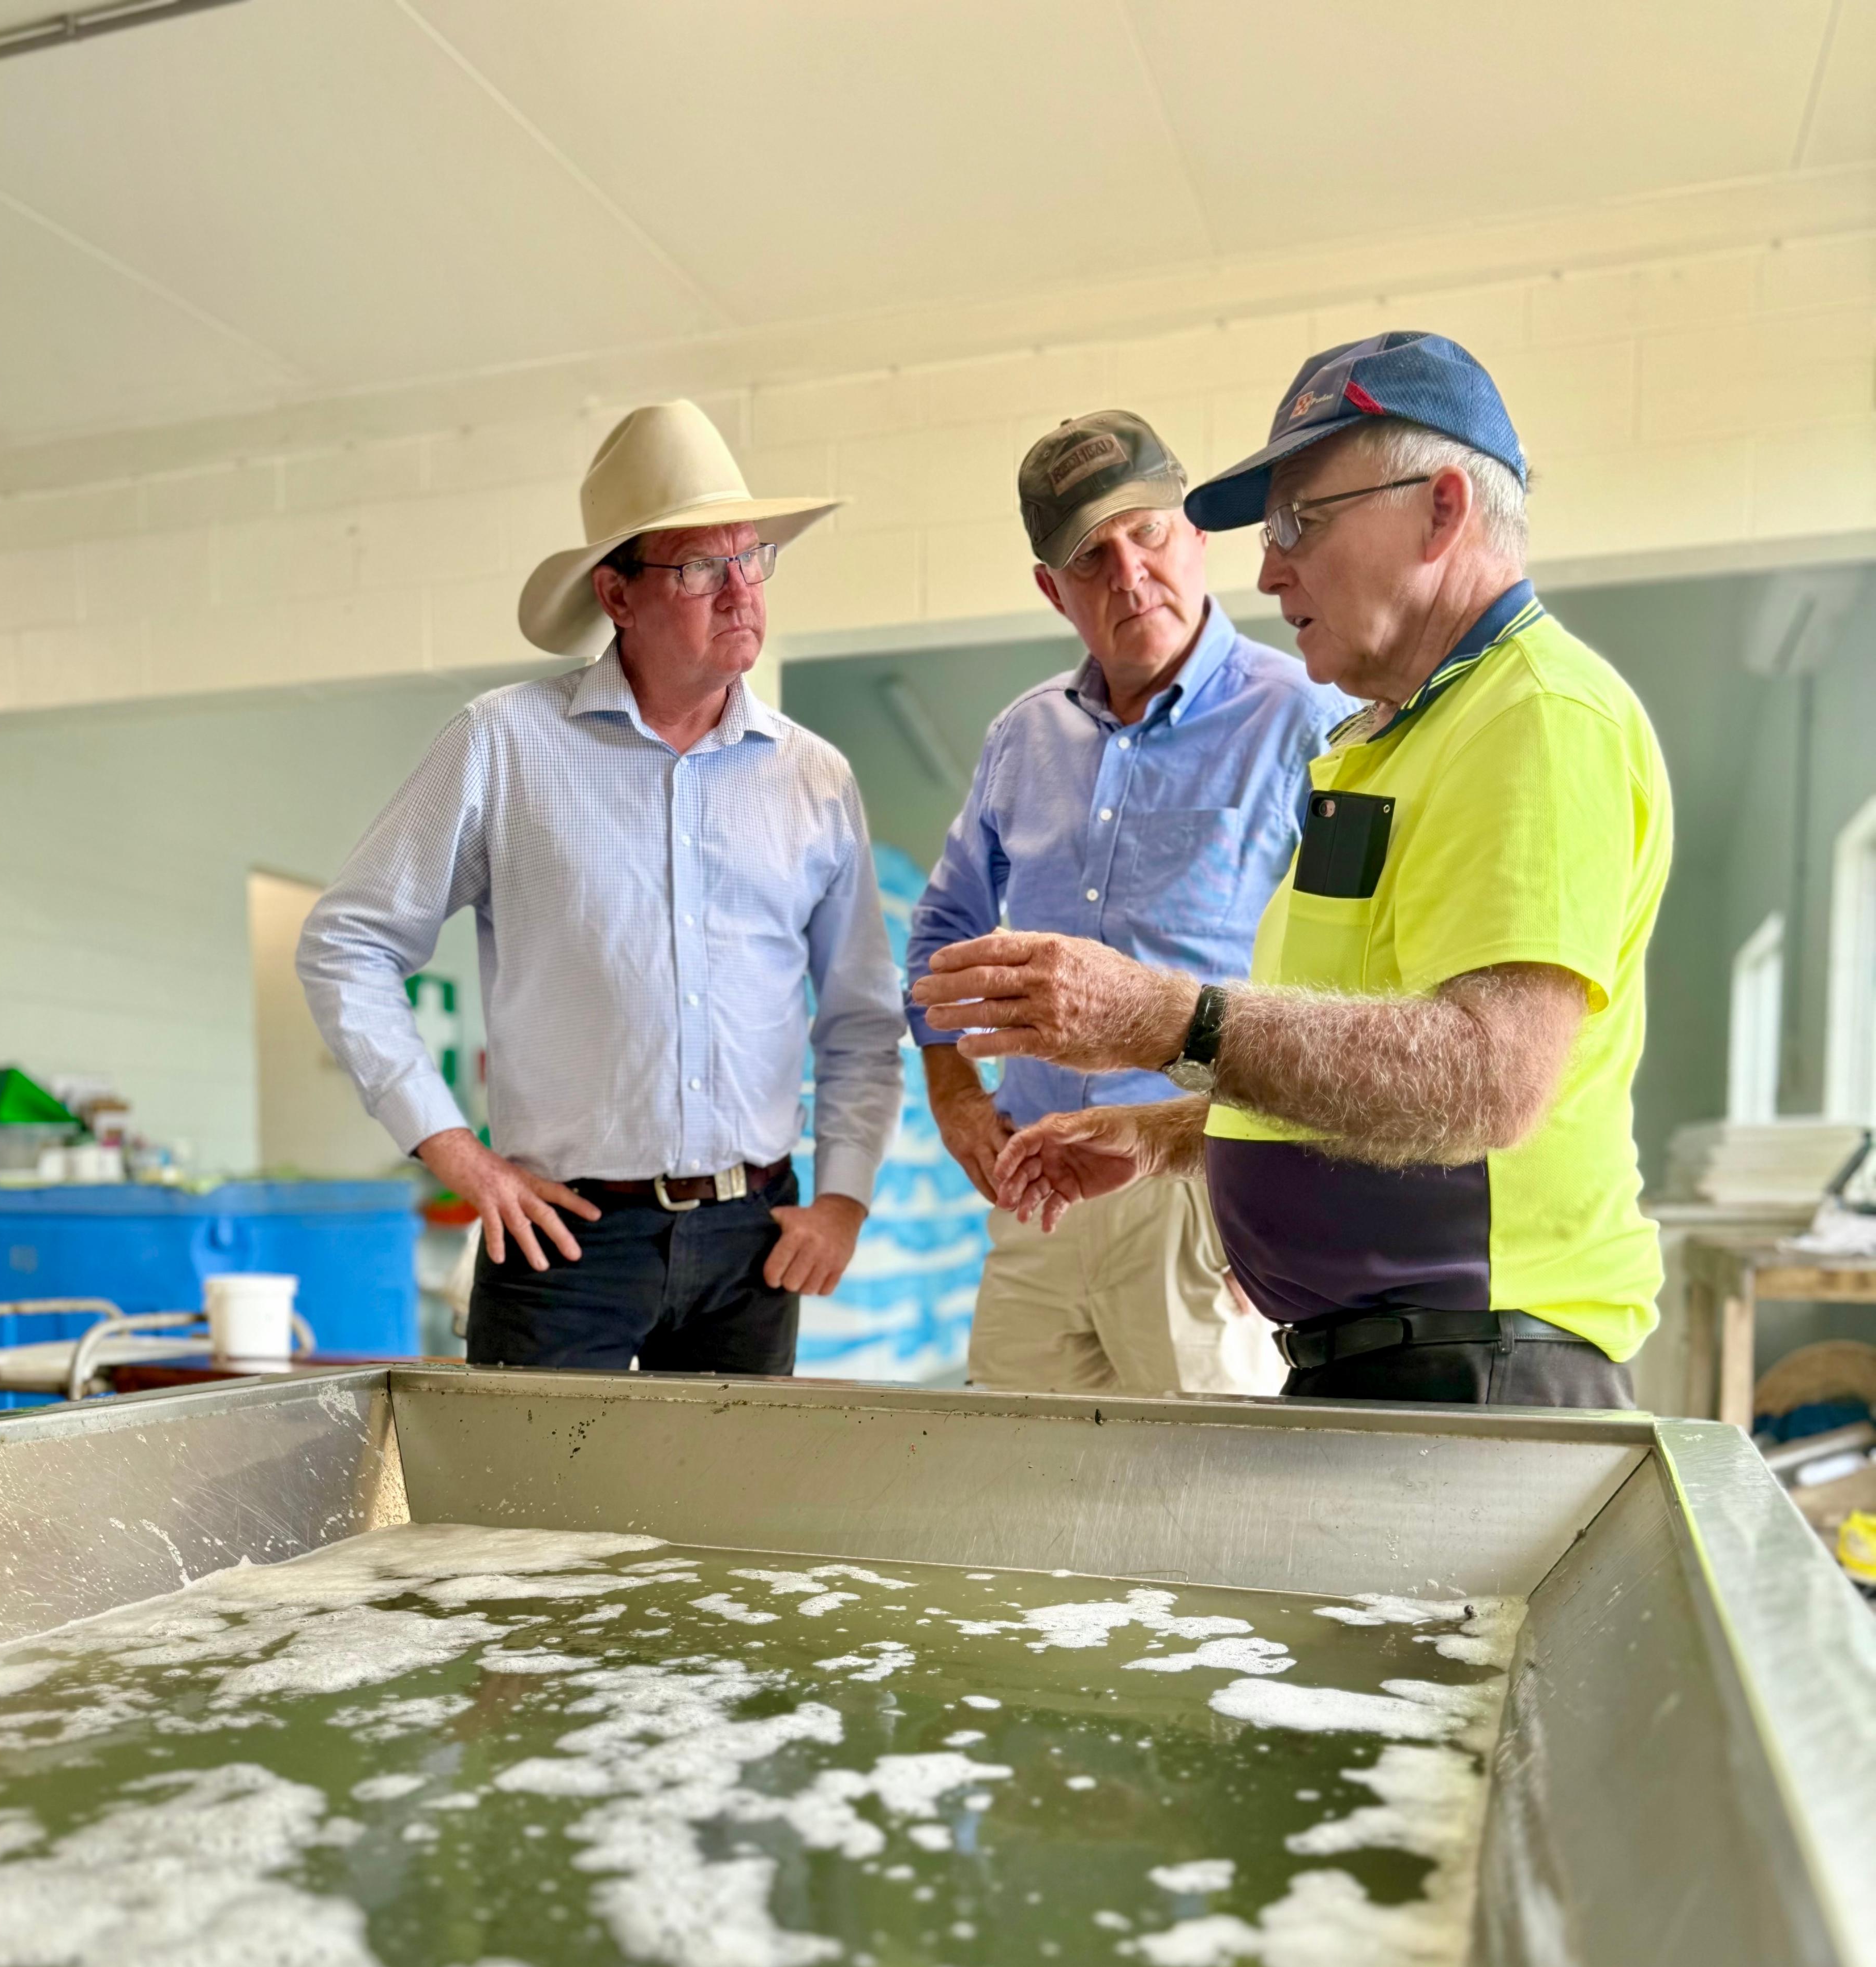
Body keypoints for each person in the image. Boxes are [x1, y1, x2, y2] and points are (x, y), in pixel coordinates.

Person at [912, 334, 1671, 1410]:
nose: (1268, 570)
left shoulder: (1534, 717)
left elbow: (1484, 1078)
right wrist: (1165, 1134)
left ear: (1441, 508)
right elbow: (1362, 1070)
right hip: (1382, 1352)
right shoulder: (1387, 742)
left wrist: (1161, 1020)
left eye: (1299, 524)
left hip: (1476, 1359)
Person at [298, 400, 903, 1376]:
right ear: (617, 596)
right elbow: (347, 944)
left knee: (728, 1524)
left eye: (751, 558)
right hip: (562, 1240)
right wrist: (450, 1148)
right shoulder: (503, 743)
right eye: (701, 567)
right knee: (527, 1527)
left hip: (755, 1239)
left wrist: (842, 1198)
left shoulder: (813, 777)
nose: (740, 590)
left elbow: (863, 1021)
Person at [904, 411, 1347, 1399]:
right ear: (1051, 590)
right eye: (1089, 557)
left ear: (1196, 534)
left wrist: (1288, 1198)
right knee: (1004, 1503)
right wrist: (955, 1101)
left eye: (1147, 532)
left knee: (1205, 1520)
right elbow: (941, 933)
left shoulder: (1307, 718)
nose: (1128, 572)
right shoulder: (1023, 740)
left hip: (1202, 1194)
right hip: (1037, 1197)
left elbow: (1352, 978)